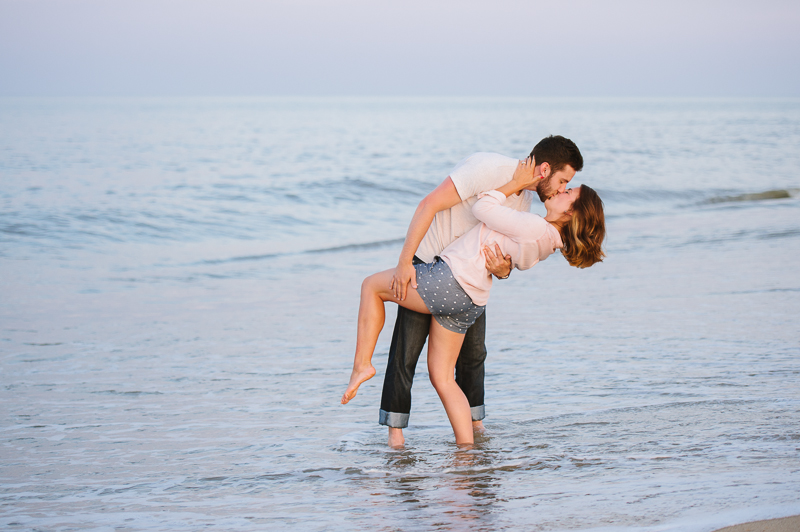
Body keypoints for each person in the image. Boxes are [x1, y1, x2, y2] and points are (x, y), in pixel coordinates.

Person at [341, 156, 606, 446]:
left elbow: (483, 208)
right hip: (473, 299)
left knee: (371, 287)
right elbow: (515, 260)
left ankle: (362, 365)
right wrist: (503, 267)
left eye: (568, 192)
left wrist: (512, 184)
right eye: (564, 184)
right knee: (442, 377)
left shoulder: (535, 227)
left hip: (451, 280)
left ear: (571, 212)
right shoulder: (549, 241)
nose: (561, 191)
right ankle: (466, 449)